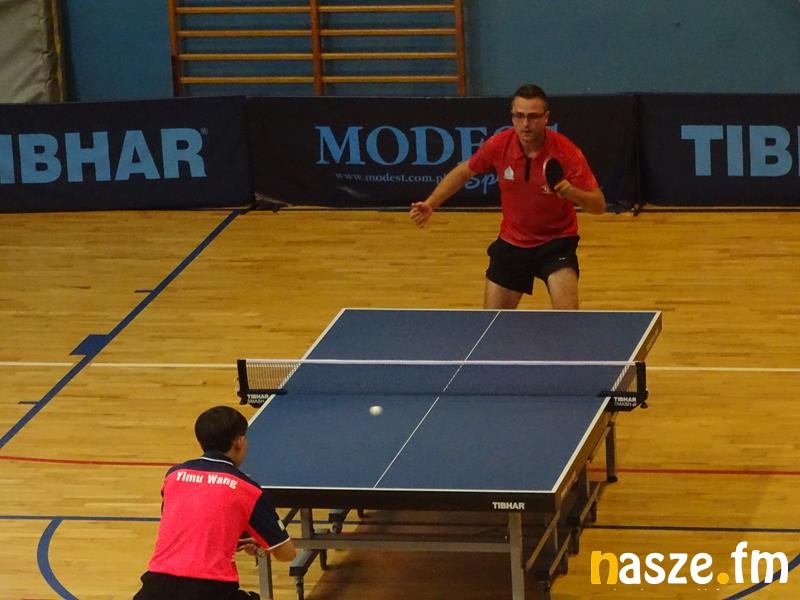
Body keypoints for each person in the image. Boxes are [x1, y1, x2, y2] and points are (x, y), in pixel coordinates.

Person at [410, 84, 606, 310]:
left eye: (533, 116)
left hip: (556, 242)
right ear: (512, 117)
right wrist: (431, 204)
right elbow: (464, 171)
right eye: (519, 116)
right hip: (513, 242)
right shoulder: (499, 145)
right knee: (492, 321)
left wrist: (571, 192)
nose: (525, 123)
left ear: (546, 118)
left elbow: (599, 205)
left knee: (568, 316)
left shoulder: (566, 152)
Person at [134, 406, 297, 600]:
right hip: (211, 590)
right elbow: (287, 553)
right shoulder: (246, 488)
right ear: (239, 442)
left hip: (155, 588)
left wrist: (229, 540)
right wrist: (264, 543)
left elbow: (187, 525)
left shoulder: (174, 476)